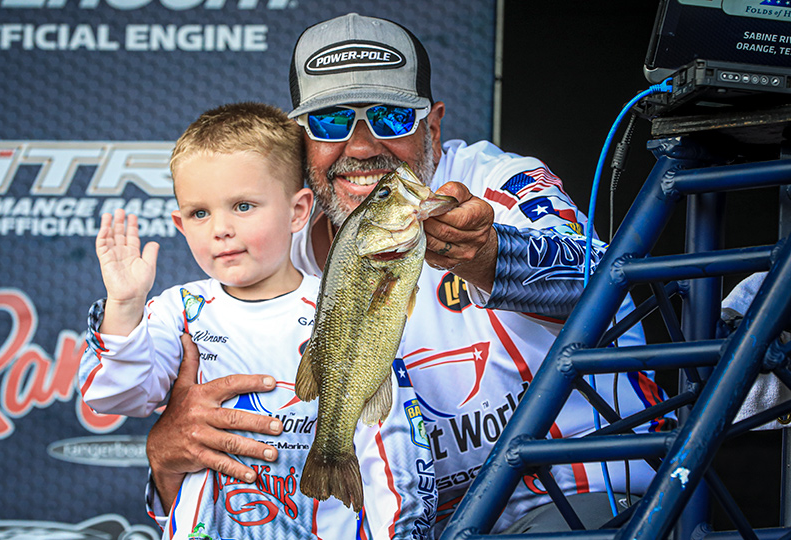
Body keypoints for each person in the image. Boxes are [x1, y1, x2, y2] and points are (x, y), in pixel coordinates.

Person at [88, 13, 672, 536]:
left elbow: (605, 278)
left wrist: (491, 254)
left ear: (433, 126)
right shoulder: (269, 252)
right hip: (417, 522)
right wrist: (167, 456)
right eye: (331, 121)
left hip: (573, 494)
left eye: (391, 117)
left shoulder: (496, 182)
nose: (362, 146)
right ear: (303, 141)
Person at [78, 102, 436, 539]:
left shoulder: (343, 306)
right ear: (180, 225)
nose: (220, 229)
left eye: (243, 206)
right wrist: (124, 307)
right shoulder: (178, 310)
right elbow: (113, 396)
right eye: (199, 213)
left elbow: (393, 455)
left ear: (298, 211)